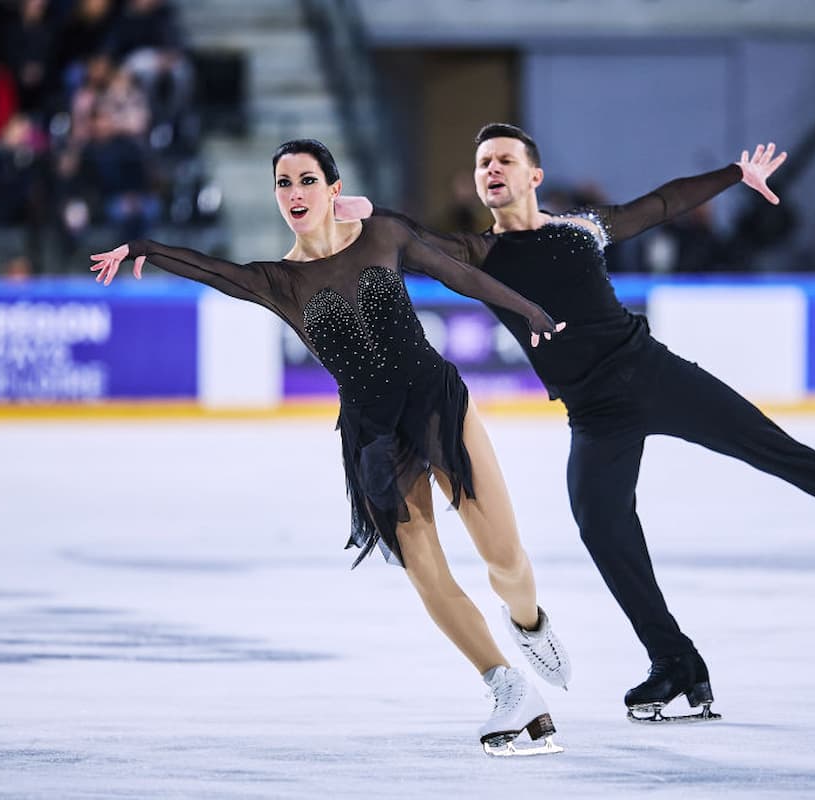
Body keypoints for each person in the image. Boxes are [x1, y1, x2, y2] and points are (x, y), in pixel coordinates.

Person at [339, 123, 815, 724]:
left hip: (652, 373)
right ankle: (675, 661)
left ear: (535, 174)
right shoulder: (476, 253)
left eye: (505, 159)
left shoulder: (581, 229)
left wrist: (734, 174)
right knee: (601, 524)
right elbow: (409, 239)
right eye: (483, 163)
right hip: (594, 414)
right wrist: (363, 212)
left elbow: (662, 204)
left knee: (774, 449)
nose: (493, 169)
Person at [89, 139, 571, 755]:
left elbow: (464, 275)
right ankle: (507, 686)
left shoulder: (383, 237)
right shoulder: (278, 281)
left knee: (504, 557)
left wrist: (529, 311)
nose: (295, 194)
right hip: (373, 432)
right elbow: (212, 269)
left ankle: (529, 622)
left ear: (332, 188)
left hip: (435, 403)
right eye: (284, 183)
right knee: (426, 570)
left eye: (307, 180)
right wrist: (145, 247)